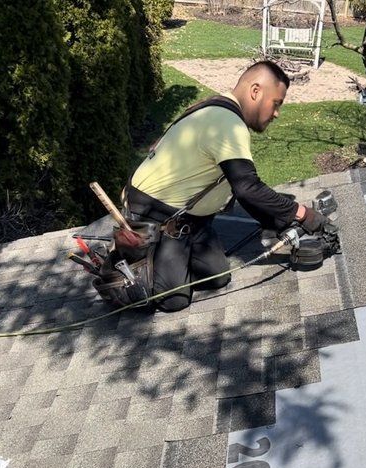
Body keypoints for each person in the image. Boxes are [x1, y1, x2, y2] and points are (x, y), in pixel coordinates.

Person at [122, 61, 328, 312]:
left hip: (190, 219)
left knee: (218, 276)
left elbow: (243, 189)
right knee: (173, 300)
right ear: (256, 91)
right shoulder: (227, 123)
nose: (276, 114)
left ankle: (172, 261)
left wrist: (278, 222)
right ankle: (122, 262)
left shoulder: (217, 110)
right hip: (154, 214)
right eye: (277, 103)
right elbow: (247, 188)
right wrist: (302, 214)